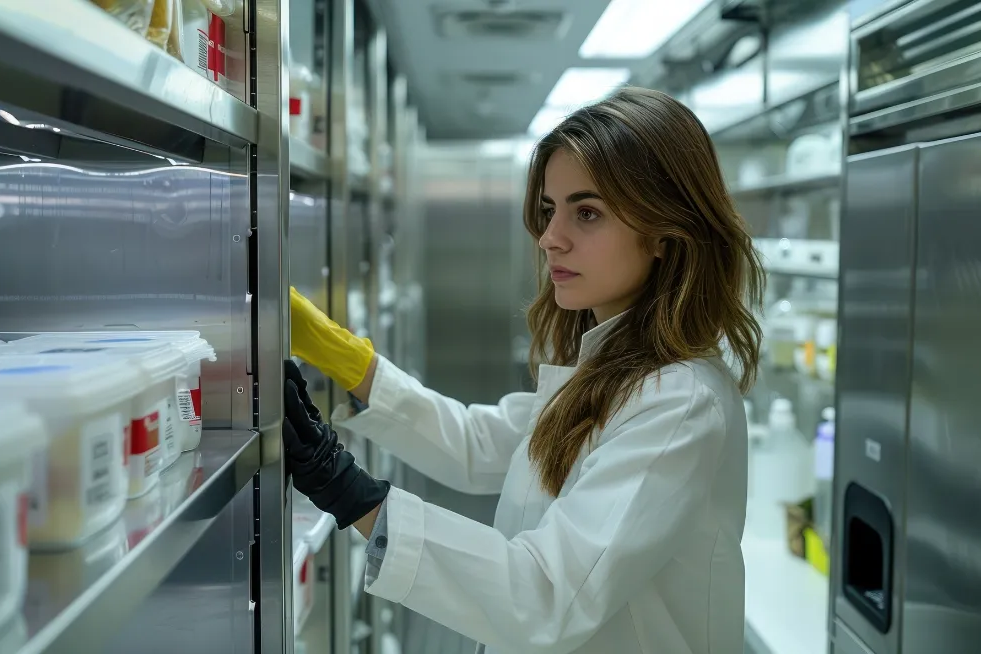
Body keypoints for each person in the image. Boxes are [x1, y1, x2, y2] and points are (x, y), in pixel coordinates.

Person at [283, 86, 764, 654]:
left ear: (664, 231)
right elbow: (478, 443)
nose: (550, 238)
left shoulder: (680, 404)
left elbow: (545, 596)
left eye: (587, 213)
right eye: (548, 210)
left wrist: (346, 490)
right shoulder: (609, 367)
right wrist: (346, 358)